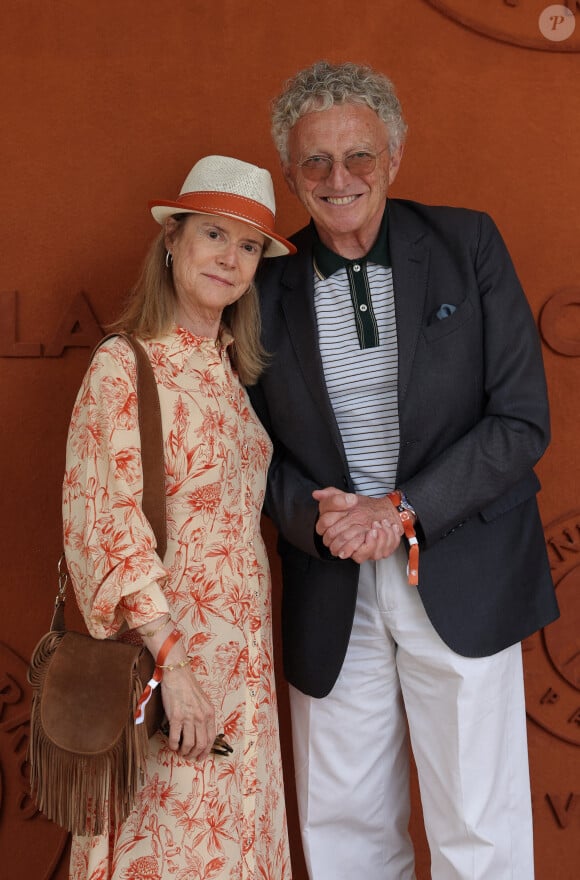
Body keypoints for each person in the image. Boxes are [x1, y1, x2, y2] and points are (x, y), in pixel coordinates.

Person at [247, 61, 559, 880]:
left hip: (455, 562)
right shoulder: (263, 285)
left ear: (394, 158)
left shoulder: (467, 244)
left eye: (358, 156)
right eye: (315, 162)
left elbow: (521, 419)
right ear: (290, 174)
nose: (338, 178)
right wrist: (314, 517)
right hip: (331, 574)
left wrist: (400, 508)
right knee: (342, 818)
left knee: (478, 824)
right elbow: (243, 446)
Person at [62, 155, 295, 880]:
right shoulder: (126, 364)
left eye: (249, 245)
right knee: (169, 849)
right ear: (173, 243)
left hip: (244, 668)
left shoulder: (230, 373)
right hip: (170, 667)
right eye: (214, 236)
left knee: (233, 847)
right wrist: (174, 665)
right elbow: (108, 523)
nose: (230, 259)